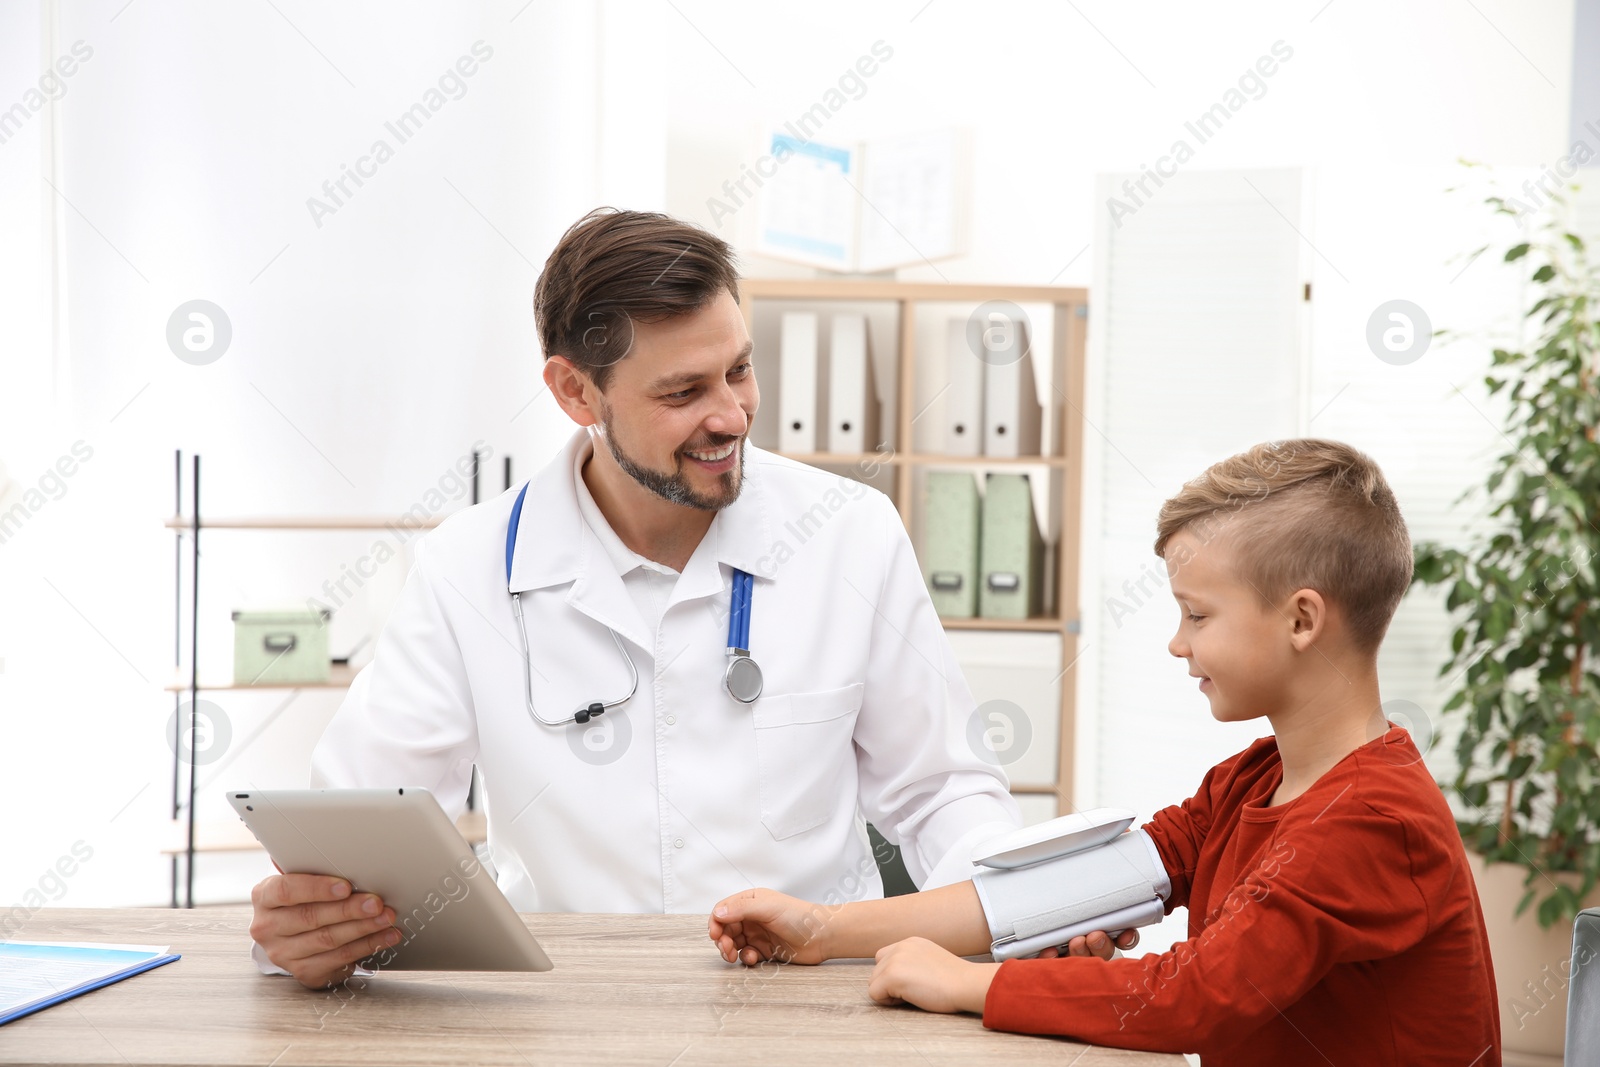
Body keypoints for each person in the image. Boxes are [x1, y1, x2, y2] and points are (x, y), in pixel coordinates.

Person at [249, 208, 1070, 989]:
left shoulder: (849, 534)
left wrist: (1015, 909)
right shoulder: (467, 569)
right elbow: (359, 829)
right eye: (682, 393)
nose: (731, 415)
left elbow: (944, 790)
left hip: (811, 1007)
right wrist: (313, 928)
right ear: (576, 393)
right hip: (571, 1014)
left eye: (739, 369)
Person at [708, 439, 1501, 1065]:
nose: (1176, 643)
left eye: (1197, 615)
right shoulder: (1253, 780)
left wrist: (972, 984)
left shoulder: (1374, 821)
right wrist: (823, 929)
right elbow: (1071, 889)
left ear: (1301, 620)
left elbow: (1197, 994)